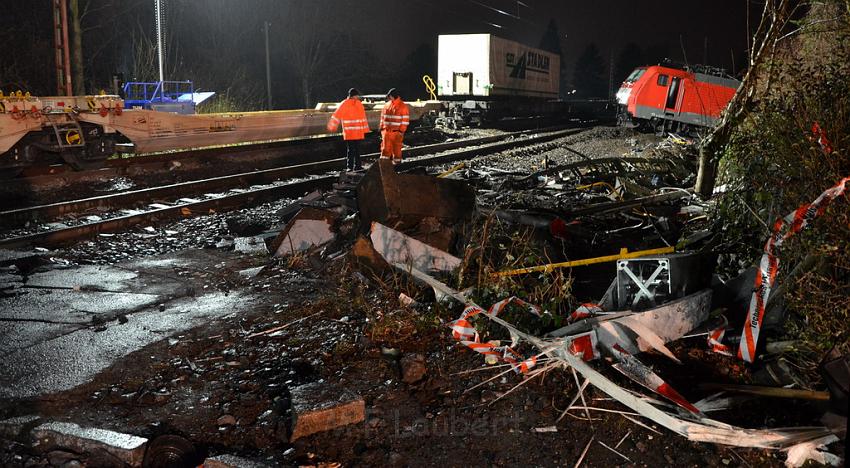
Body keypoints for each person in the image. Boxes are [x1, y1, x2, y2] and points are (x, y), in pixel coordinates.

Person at [327, 88, 370, 171]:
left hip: (349, 132)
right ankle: (357, 166)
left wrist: (332, 126)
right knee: (356, 150)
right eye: (357, 95)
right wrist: (365, 130)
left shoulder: (344, 104)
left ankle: (350, 167)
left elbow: (337, 115)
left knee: (351, 150)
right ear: (355, 96)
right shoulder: (359, 104)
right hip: (357, 132)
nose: (358, 97)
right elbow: (363, 118)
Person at [379, 88, 409, 165]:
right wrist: (382, 128)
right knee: (385, 150)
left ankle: (396, 166)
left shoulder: (402, 106)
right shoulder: (387, 105)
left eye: (390, 96)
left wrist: (401, 131)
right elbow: (382, 117)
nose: (389, 98)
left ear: (394, 96)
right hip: (387, 132)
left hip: (396, 133)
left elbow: (405, 120)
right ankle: (384, 166)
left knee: (396, 151)